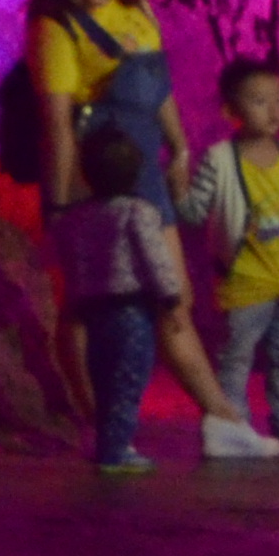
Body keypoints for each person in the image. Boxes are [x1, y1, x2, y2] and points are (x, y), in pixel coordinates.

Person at [22, 0, 279, 459]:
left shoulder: (133, 6)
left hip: (146, 168)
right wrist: (61, 205)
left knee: (173, 295)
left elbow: (156, 88)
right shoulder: (54, 25)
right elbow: (60, 124)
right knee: (91, 300)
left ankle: (219, 420)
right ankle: (104, 418)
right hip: (98, 174)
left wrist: (181, 147)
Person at [176, 54, 279, 456]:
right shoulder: (218, 160)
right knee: (236, 358)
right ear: (232, 110)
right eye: (259, 101)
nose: (274, 110)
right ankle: (236, 428)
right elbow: (194, 213)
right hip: (243, 283)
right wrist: (176, 185)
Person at [49, 122, 191, 475]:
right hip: (131, 311)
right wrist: (171, 299)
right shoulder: (138, 213)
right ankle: (115, 452)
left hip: (94, 311)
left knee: (103, 377)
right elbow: (154, 258)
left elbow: (70, 260)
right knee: (129, 379)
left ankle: (109, 443)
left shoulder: (74, 218)